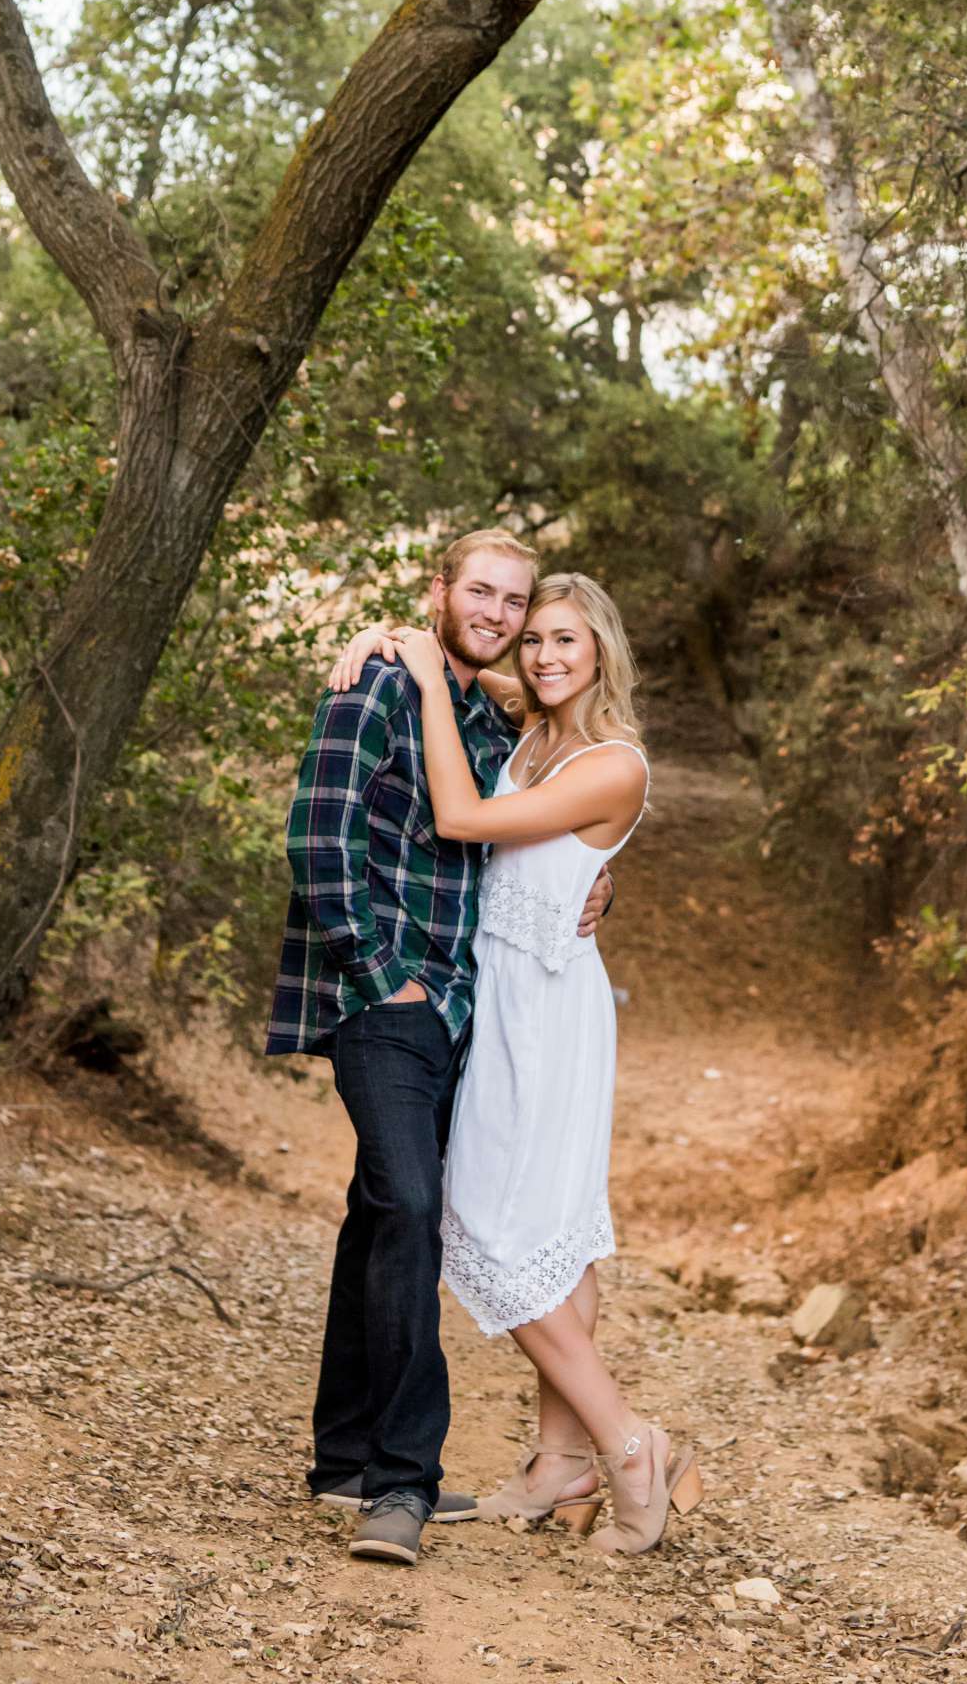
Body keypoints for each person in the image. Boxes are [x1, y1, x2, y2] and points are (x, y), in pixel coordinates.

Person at [265, 530, 613, 1569]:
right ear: (440, 594)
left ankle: (342, 1457)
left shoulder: (486, 712)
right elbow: (314, 836)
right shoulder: (376, 685)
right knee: (416, 1208)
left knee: (381, 1208)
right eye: (483, 594)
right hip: (387, 999)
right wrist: (382, 975)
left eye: (515, 602)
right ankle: (402, 1485)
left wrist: (602, 878)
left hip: (468, 1006)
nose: (500, 614)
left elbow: (549, 820)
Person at [336, 574, 702, 1558]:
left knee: (501, 1235)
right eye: (532, 639)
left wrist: (416, 676)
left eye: (565, 643)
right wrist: (389, 639)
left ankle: (629, 1445)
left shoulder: (613, 763)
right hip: (493, 992)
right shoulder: (523, 724)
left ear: (602, 653)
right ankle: (557, 1462)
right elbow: (463, 667)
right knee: (545, 1237)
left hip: (544, 1011)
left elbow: (461, 819)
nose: (541, 656)